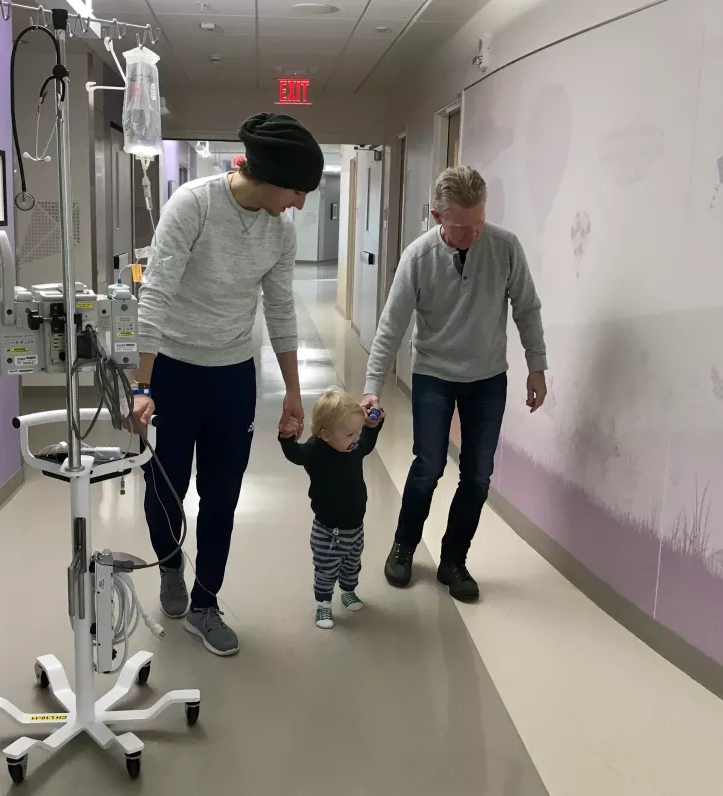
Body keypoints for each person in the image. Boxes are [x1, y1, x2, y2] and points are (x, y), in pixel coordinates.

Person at [127, 113, 324, 656]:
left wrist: (293, 390)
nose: (300, 204)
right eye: (297, 190)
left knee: (222, 495)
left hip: (235, 374)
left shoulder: (279, 231)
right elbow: (157, 293)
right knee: (167, 484)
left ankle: (206, 602)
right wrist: (142, 387)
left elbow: (281, 308)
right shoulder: (193, 204)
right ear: (268, 177)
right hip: (174, 369)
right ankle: (169, 564)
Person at [362, 165, 548, 603]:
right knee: (428, 466)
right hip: (434, 375)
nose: (473, 234)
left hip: (487, 378)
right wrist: (373, 383)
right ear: (437, 216)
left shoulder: (505, 248)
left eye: (479, 222)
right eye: (462, 227)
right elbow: (392, 324)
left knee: (478, 475)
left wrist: (536, 366)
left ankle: (453, 560)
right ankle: (404, 546)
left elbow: (527, 307)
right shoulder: (418, 257)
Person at [278, 388, 384, 629]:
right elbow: (295, 454)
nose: (356, 438)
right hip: (328, 530)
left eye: (357, 431)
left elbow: (367, 441)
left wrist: (374, 424)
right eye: (349, 434)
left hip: (355, 526)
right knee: (326, 569)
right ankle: (323, 604)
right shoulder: (316, 451)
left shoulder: (354, 447)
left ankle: (348, 591)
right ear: (325, 435)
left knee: (352, 564)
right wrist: (286, 437)